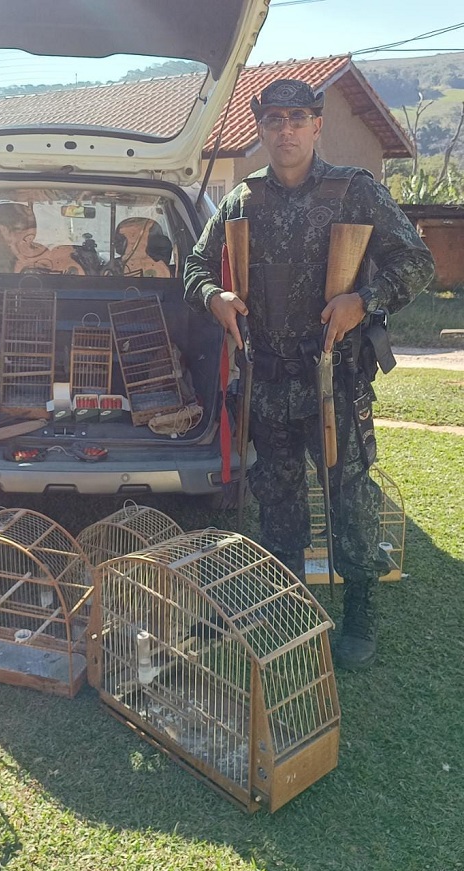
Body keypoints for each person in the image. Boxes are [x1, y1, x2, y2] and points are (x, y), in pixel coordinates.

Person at [183, 78, 435, 670]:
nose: (286, 129)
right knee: (277, 498)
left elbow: (416, 261)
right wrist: (214, 294)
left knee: (348, 495)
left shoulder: (354, 192)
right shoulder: (241, 199)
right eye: (274, 120)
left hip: (335, 377)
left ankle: (360, 611)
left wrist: (365, 301)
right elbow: (195, 265)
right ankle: (285, 602)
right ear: (262, 130)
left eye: (298, 117)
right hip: (268, 380)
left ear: (317, 124)